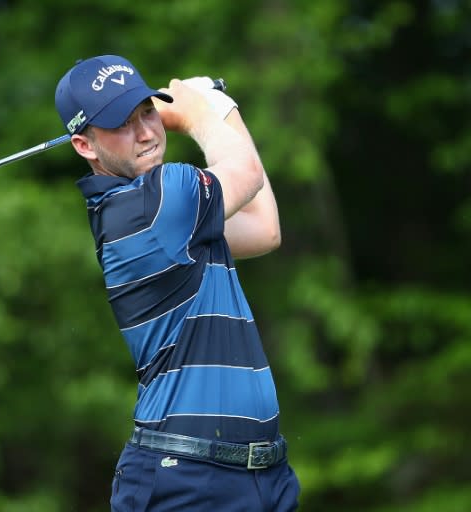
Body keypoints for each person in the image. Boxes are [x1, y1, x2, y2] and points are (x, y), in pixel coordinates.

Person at [54, 55, 300, 511]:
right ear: (85, 146)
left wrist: (220, 108)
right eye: (123, 124)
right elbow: (244, 173)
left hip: (261, 477)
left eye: (148, 111)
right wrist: (197, 114)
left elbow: (265, 228)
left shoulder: (171, 211)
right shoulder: (154, 204)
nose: (146, 132)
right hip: (186, 481)